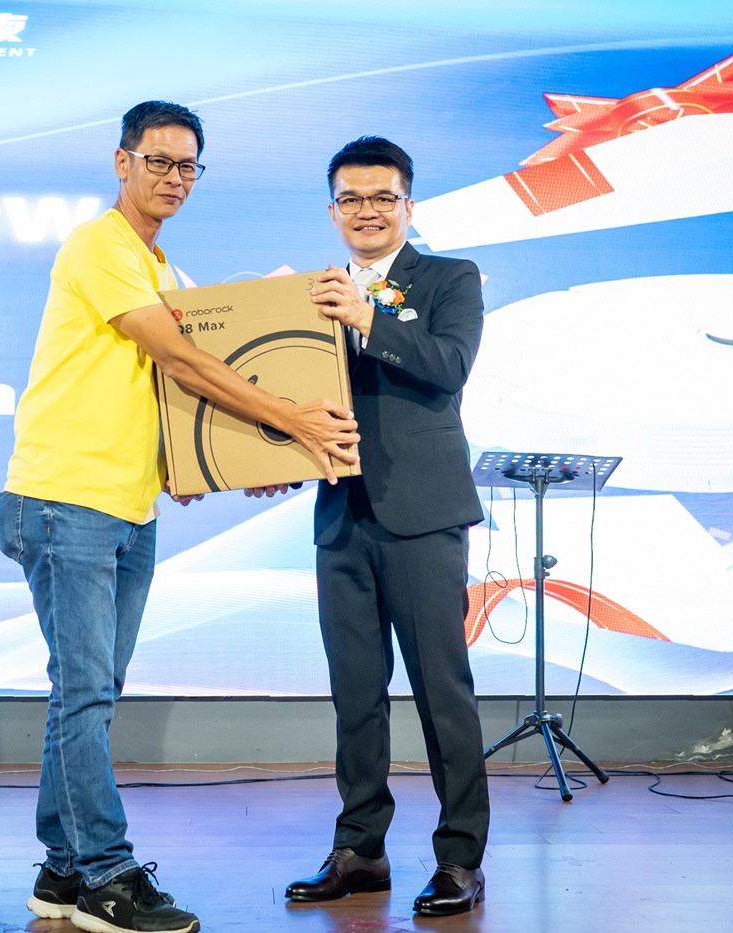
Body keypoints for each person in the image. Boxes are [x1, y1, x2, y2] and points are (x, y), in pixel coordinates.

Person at [0, 101, 358, 933]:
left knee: (89, 693)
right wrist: (292, 421)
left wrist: (239, 461)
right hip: (64, 500)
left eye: (188, 165)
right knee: (84, 694)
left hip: (128, 504)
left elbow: (167, 404)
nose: (174, 177)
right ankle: (107, 875)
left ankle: (61, 872)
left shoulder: (165, 268)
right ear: (122, 162)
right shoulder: (100, 245)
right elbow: (183, 361)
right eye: (158, 160)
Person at [282, 136, 490, 916]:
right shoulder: (308, 295)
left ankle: (460, 856)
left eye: (381, 197)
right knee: (355, 694)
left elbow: (448, 365)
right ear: (332, 209)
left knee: (442, 691)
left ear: (408, 205)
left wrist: (367, 314)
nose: (365, 211)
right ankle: (360, 848)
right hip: (341, 515)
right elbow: (292, 395)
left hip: (424, 515)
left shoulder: (449, 278)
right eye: (351, 199)